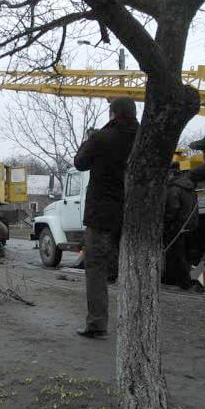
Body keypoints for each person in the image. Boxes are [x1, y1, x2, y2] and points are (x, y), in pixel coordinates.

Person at [73, 97, 138, 338]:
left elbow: (80, 163)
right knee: (135, 266)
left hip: (102, 213)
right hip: (135, 212)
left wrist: (89, 139)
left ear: (112, 114)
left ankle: (97, 323)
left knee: (97, 267)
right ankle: (137, 323)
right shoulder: (145, 138)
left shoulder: (101, 138)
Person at [163, 165, 199, 290]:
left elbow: (172, 209)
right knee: (185, 254)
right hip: (190, 225)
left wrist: (166, 223)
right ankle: (181, 280)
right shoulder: (190, 188)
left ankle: (183, 283)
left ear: (171, 174)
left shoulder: (173, 189)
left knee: (177, 255)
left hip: (177, 226)